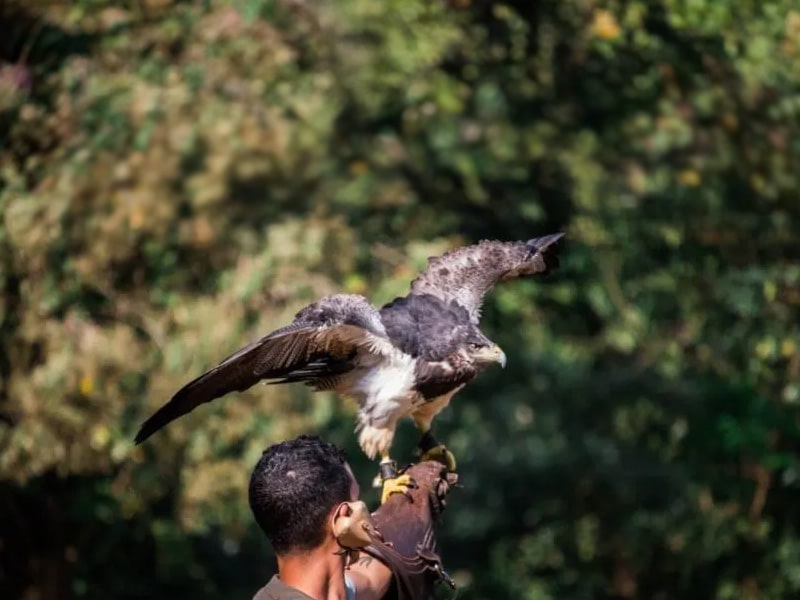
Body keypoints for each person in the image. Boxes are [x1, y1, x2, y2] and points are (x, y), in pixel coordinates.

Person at [248, 434, 457, 600]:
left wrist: (413, 495)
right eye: (357, 498)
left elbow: (373, 575)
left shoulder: (345, 590)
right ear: (343, 517)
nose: (366, 510)